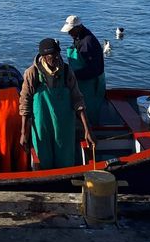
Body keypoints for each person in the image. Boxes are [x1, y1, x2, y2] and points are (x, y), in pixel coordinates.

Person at [19, 38, 94, 169]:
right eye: (50, 55)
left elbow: (78, 100)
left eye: (56, 54)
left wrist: (87, 129)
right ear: (43, 57)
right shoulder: (32, 73)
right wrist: (23, 133)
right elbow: (25, 103)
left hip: (64, 126)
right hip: (42, 124)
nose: (54, 58)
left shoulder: (66, 71)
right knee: (43, 159)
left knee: (65, 159)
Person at [61, 15, 105, 126]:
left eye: (71, 30)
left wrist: (72, 75)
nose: (69, 33)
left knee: (89, 110)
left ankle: (93, 131)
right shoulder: (79, 37)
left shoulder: (87, 42)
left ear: (78, 27)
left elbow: (93, 69)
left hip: (91, 84)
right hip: (83, 82)